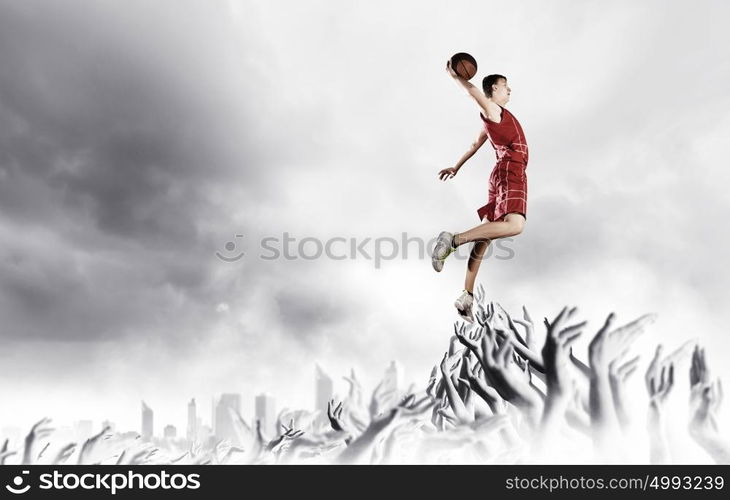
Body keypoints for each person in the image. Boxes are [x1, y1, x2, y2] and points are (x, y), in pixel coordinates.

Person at [432, 61, 529, 322]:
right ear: (493, 90)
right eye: (505, 87)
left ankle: (467, 295)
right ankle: (452, 240)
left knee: (485, 237)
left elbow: (475, 144)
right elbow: (473, 93)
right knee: (515, 226)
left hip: (501, 174)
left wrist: (456, 166)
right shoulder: (493, 109)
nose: (509, 91)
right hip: (511, 171)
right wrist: (456, 77)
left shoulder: (493, 119)